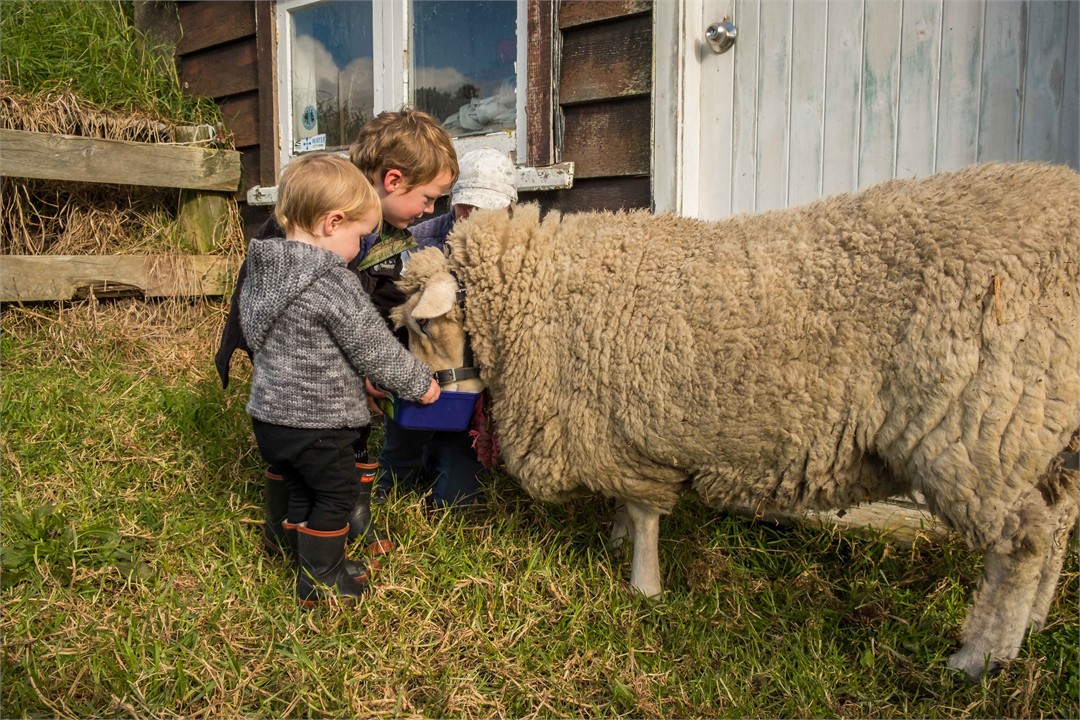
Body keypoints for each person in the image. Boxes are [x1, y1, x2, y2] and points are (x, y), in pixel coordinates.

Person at [215, 108, 459, 559]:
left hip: (339, 362)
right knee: (321, 449)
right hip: (304, 365)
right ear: (392, 180)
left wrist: (375, 369)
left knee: (350, 435)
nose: (430, 210)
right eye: (428, 198)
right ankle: (309, 533)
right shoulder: (316, 218)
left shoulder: (387, 234)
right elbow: (259, 291)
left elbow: (382, 300)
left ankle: (349, 513)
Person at [239, 152, 441, 607]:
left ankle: (294, 550)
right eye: (359, 236)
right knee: (335, 492)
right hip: (318, 421)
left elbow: (253, 333)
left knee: (300, 487)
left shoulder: (263, 271)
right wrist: (418, 383)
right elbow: (373, 345)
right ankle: (323, 577)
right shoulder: (332, 281)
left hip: (271, 418)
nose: (361, 248)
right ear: (332, 224)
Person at [372, 147, 518, 511]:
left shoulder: (519, 250)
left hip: (473, 390)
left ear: (510, 208)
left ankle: (444, 468)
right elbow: (388, 305)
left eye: (487, 209)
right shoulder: (418, 240)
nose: (472, 217)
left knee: (457, 499)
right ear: (453, 201)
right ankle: (390, 485)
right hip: (418, 371)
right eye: (466, 206)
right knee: (399, 458)